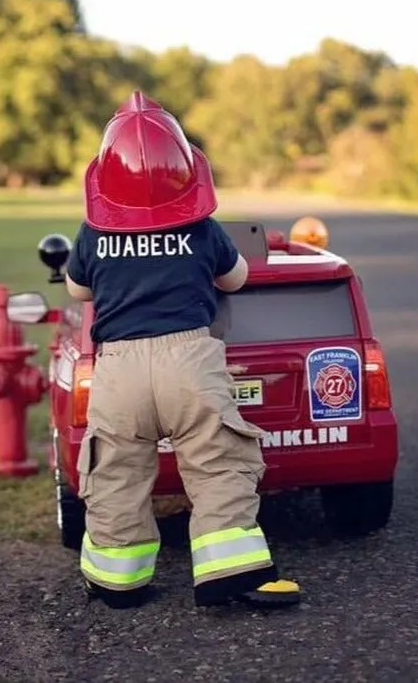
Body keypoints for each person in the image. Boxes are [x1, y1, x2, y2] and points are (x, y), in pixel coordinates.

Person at [65, 90, 301, 610]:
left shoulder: (94, 233)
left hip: (119, 369)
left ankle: (116, 580)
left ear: (105, 179)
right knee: (218, 461)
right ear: (187, 173)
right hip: (189, 361)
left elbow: (77, 290)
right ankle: (230, 571)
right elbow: (235, 278)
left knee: (116, 471)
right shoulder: (202, 228)